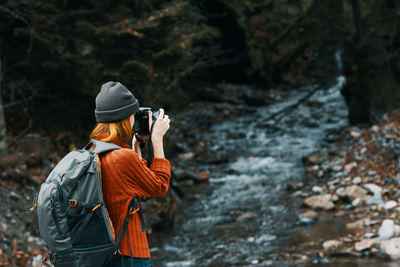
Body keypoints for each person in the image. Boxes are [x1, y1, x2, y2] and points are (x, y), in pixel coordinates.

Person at [89, 81, 171, 267]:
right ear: (125, 118)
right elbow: (158, 186)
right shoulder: (121, 157)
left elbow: (139, 186)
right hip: (129, 254)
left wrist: (136, 146)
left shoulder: (94, 150)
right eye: (134, 114)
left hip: (103, 254)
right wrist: (157, 140)